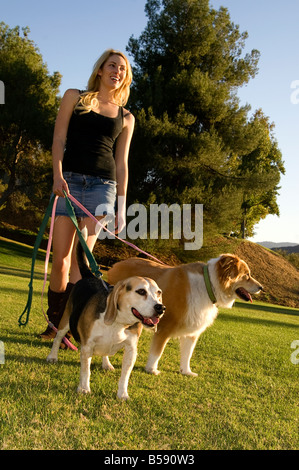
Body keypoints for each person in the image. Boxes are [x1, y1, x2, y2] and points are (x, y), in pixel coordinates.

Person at [40, 49, 135, 342]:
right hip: (68, 183)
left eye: (122, 68)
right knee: (61, 261)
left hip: (102, 188)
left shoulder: (126, 117)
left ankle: (73, 330)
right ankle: (56, 323)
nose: (116, 71)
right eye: (112, 65)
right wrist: (57, 176)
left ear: (125, 77)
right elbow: (58, 138)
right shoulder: (75, 97)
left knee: (82, 261)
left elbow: (122, 164)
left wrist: (120, 206)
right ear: (100, 70)